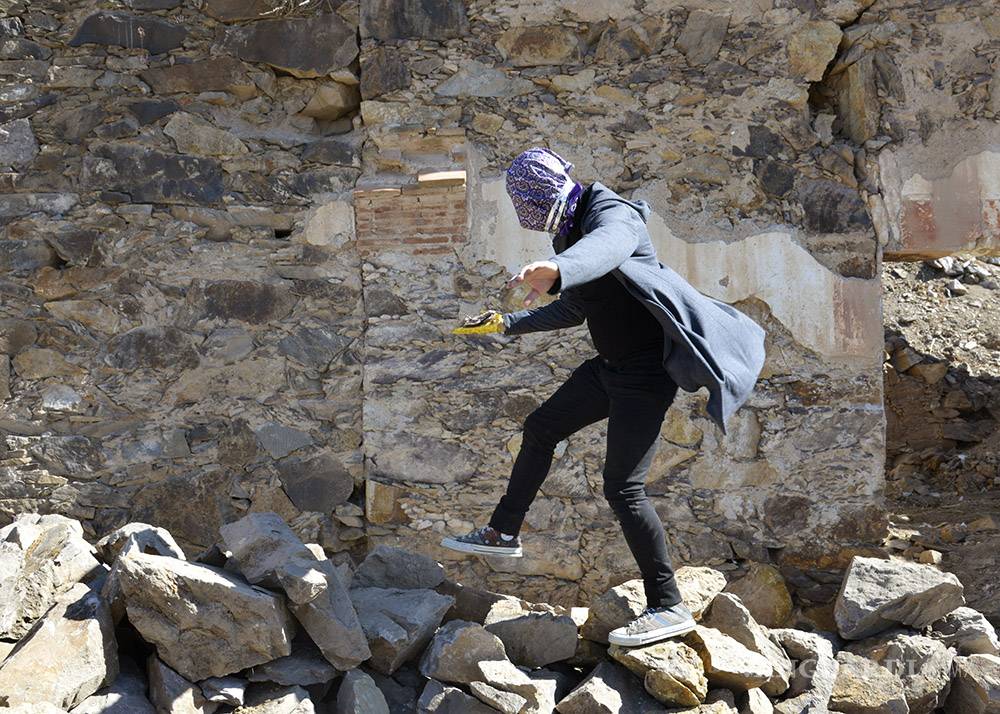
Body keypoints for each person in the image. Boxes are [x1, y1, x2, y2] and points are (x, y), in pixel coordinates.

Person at [442, 147, 766, 647]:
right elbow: (575, 309)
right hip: (610, 370)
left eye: (530, 197)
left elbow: (607, 248)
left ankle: (667, 606)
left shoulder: (612, 214)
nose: (527, 208)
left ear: (549, 190)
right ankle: (503, 532)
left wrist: (555, 265)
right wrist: (506, 324)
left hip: (646, 376)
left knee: (623, 488)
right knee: (540, 428)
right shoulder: (567, 231)